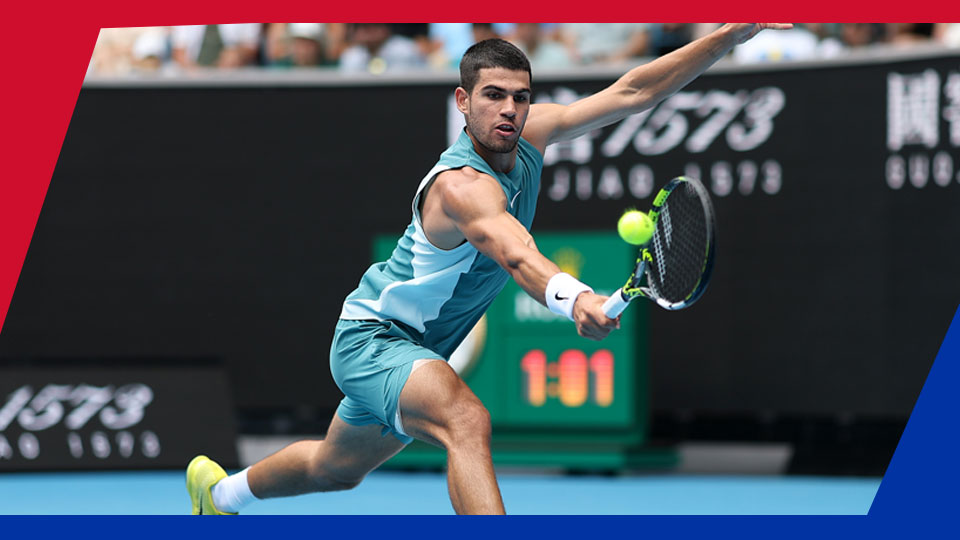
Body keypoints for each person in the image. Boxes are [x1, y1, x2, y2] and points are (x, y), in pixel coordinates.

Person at [186, 23, 792, 516]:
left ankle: (218, 495)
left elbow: (633, 92)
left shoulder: (531, 137)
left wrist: (730, 35)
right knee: (466, 419)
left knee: (335, 469)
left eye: (521, 97)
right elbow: (514, 251)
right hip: (375, 340)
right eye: (493, 95)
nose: (510, 110)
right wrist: (573, 297)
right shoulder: (462, 188)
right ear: (463, 101)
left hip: (422, 348)